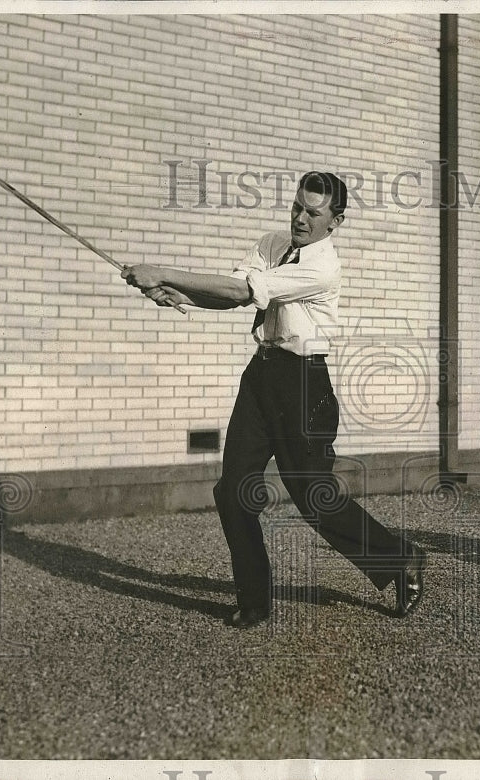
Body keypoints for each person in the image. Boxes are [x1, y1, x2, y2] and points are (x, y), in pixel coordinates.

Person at [122, 172, 426, 628]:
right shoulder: (271, 245)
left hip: (303, 384)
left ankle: (399, 560)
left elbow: (246, 290)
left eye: (313, 213)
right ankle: (254, 600)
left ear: (335, 221)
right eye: (297, 207)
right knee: (233, 490)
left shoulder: (324, 265)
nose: (301, 219)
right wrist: (179, 294)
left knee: (314, 500)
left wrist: (161, 271)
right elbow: (235, 297)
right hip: (261, 375)